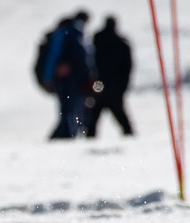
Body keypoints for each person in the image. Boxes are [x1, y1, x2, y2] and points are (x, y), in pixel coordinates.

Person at [41, 11, 93, 139]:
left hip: (69, 79)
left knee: (69, 108)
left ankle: (67, 134)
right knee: (71, 108)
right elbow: (79, 56)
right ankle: (66, 134)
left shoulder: (67, 33)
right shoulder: (71, 33)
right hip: (70, 79)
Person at [86, 16, 134, 137]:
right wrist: (122, 87)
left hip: (98, 85)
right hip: (114, 87)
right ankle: (129, 135)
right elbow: (127, 69)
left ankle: (89, 137)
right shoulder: (121, 44)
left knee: (93, 117)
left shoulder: (96, 41)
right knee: (121, 117)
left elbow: (88, 64)